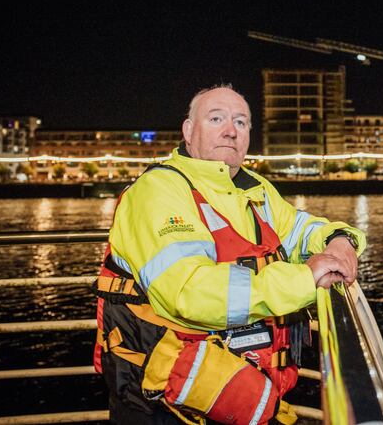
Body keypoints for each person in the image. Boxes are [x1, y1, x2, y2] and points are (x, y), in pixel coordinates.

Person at [94, 85, 365, 424]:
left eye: (241, 121)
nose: (230, 130)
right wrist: (302, 279)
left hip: (239, 392)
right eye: (216, 118)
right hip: (168, 406)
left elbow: (301, 229)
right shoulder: (157, 192)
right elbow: (189, 293)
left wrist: (340, 240)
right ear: (189, 131)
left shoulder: (254, 189)